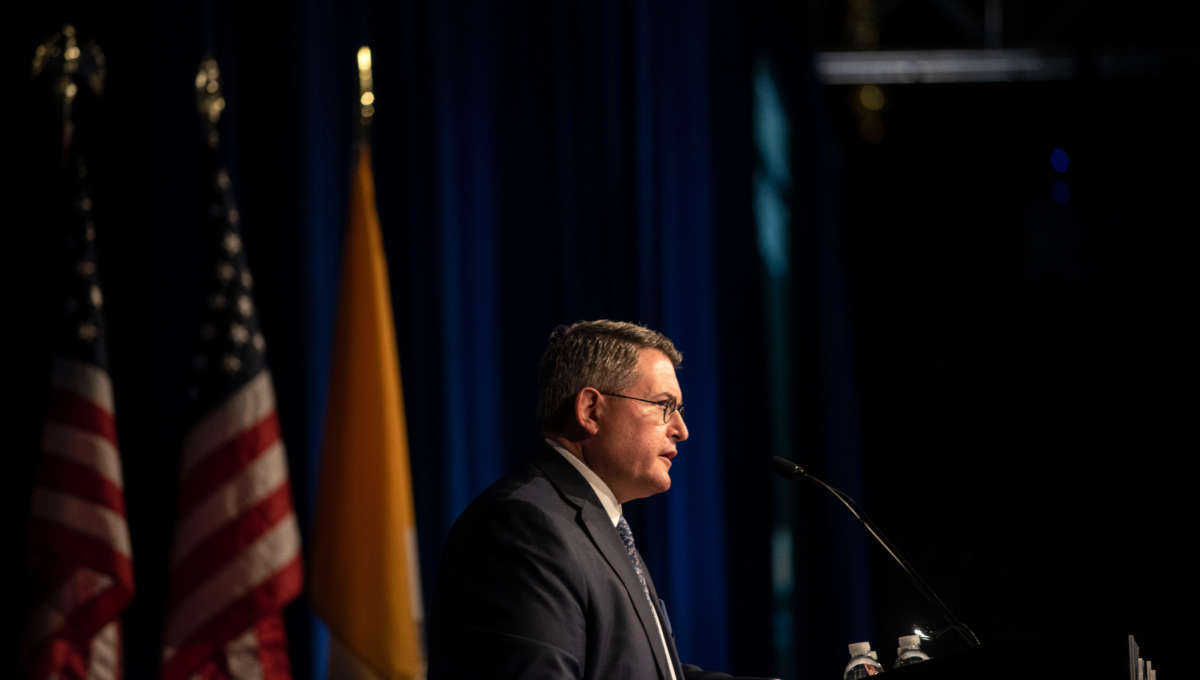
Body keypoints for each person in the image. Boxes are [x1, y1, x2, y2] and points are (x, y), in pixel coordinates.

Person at [428, 319, 735, 679]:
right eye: (664, 405)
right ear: (590, 410)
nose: (681, 430)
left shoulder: (600, 523)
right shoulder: (524, 527)